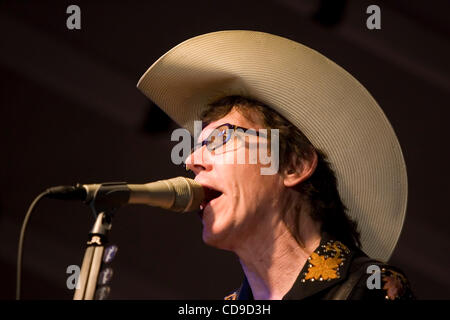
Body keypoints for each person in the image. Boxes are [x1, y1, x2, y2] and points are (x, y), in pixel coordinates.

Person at [136, 30, 414, 300]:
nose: (191, 160)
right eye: (196, 146)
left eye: (220, 138)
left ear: (293, 164)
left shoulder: (369, 289)